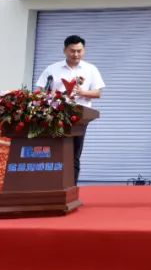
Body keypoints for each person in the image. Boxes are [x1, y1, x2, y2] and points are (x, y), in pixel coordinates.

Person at [35, 34, 105, 183]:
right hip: (55, 116)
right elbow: (39, 91)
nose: (76, 54)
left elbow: (98, 93)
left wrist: (82, 92)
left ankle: (71, 187)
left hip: (79, 117)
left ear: (84, 50)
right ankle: (51, 185)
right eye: (72, 51)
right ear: (65, 50)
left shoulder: (90, 69)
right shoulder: (52, 69)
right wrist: (50, 95)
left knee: (74, 153)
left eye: (79, 51)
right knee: (54, 151)